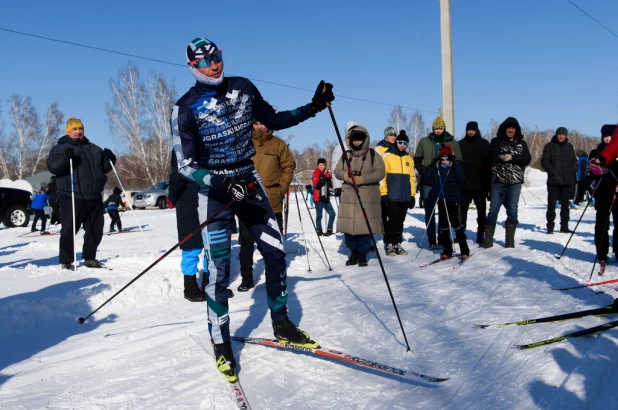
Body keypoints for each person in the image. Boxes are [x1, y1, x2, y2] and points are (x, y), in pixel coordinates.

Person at [171, 36, 334, 382]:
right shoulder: (185, 107)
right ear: (192, 67)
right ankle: (222, 344)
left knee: (275, 253)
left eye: (216, 56)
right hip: (214, 190)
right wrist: (216, 182)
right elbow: (185, 165)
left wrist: (314, 106)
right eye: (204, 61)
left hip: (248, 181)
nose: (213, 64)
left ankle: (282, 323)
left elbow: (274, 118)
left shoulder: (244, 88)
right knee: (219, 270)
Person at [47, 116, 116, 269]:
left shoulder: (93, 148)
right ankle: (66, 260)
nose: (78, 132)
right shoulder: (60, 148)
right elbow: (53, 168)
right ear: (68, 131)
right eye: (75, 129)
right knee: (69, 229)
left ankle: (90, 257)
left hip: (94, 195)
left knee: (95, 229)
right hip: (72, 195)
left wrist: (110, 159)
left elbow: (104, 168)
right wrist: (66, 158)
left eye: (80, 129)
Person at [237, 119, 295, 292]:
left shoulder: (279, 144)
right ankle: (246, 278)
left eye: (263, 123)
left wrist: (281, 188)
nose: (260, 127)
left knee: (273, 243)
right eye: (256, 124)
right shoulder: (243, 142)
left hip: (272, 200)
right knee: (246, 242)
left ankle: (275, 276)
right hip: (247, 201)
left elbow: (288, 166)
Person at [334, 121, 385, 267]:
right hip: (349, 195)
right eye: (354, 139)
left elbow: (380, 173)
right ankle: (353, 251)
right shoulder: (345, 156)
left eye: (359, 139)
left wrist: (362, 179)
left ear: (364, 139)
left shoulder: (373, 155)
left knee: (364, 227)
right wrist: (346, 176)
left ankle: (363, 253)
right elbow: (337, 171)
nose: (356, 142)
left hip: (367, 195)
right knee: (349, 226)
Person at [481, 117, 531, 249]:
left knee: (513, 209)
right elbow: (493, 156)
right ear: (504, 129)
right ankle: (488, 240)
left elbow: (527, 159)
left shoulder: (521, 143)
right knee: (493, 209)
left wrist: (512, 157)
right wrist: (502, 157)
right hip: (498, 180)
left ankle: (510, 241)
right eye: (508, 128)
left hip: (515, 181)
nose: (510, 130)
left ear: (516, 130)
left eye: (513, 128)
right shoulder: (496, 141)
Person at [414, 112, 462, 249]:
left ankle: (443, 239)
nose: (438, 130)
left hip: (445, 181)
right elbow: (417, 158)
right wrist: (423, 170)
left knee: (443, 212)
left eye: (440, 128)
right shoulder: (424, 141)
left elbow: (459, 160)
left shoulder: (452, 142)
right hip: (429, 181)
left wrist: (453, 171)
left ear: (444, 128)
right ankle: (431, 240)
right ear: (432, 129)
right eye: (436, 128)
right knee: (429, 212)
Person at [424, 145, 469, 259]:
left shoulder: (454, 166)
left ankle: (464, 248)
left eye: (447, 159)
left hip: (452, 199)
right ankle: (447, 249)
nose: (445, 161)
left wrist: (455, 163)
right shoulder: (436, 168)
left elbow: (461, 178)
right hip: (441, 199)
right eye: (442, 159)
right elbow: (427, 178)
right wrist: (431, 164)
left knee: (456, 223)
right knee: (443, 226)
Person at [380, 130, 416, 256]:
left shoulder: (409, 159)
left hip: (405, 196)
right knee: (392, 220)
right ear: (396, 142)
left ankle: (397, 243)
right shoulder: (387, 156)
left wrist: (412, 195)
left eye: (405, 143)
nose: (402, 145)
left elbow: (412, 178)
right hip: (392, 196)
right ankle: (389, 243)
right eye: (400, 142)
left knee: (401, 220)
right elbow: (382, 177)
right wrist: (383, 193)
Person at [588, 124, 618, 268]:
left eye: (610, 137)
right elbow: (592, 169)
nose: (607, 139)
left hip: (616, 191)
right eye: (605, 136)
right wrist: (600, 169)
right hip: (602, 192)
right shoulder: (596, 152)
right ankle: (601, 253)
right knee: (602, 223)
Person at [541, 127, 577, 234]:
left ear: (566, 136)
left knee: (565, 205)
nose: (561, 136)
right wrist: (552, 172)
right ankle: (550, 226)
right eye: (559, 134)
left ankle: (564, 226)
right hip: (553, 181)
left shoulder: (569, 146)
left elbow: (574, 160)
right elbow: (545, 161)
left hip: (567, 181)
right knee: (551, 205)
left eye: (563, 134)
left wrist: (572, 170)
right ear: (556, 135)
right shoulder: (549, 146)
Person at [459, 121, 491, 244]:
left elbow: (488, 165)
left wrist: (488, 185)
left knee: (481, 212)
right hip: (464, 185)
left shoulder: (484, 144)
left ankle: (480, 234)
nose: (470, 132)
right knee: (462, 212)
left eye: (473, 130)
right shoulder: (461, 144)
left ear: (476, 130)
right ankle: (460, 234)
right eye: (468, 130)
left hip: (480, 185)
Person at [376, 126, 397, 247]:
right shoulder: (379, 149)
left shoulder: (397, 148)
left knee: (394, 214)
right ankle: (387, 237)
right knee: (384, 213)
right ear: (386, 136)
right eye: (391, 135)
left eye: (394, 135)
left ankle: (393, 237)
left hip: (394, 185)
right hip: (382, 185)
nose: (393, 137)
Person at [312, 158, 336, 236]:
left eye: (323, 165)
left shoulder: (327, 173)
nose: (321, 166)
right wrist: (324, 177)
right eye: (319, 165)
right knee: (319, 215)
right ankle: (319, 229)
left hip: (325, 197)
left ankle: (329, 229)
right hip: (318, 198)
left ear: (325, 165)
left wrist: (330, 177)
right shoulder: (316, 173)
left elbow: (331, 185)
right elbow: (317, 185)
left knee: (332, 214)